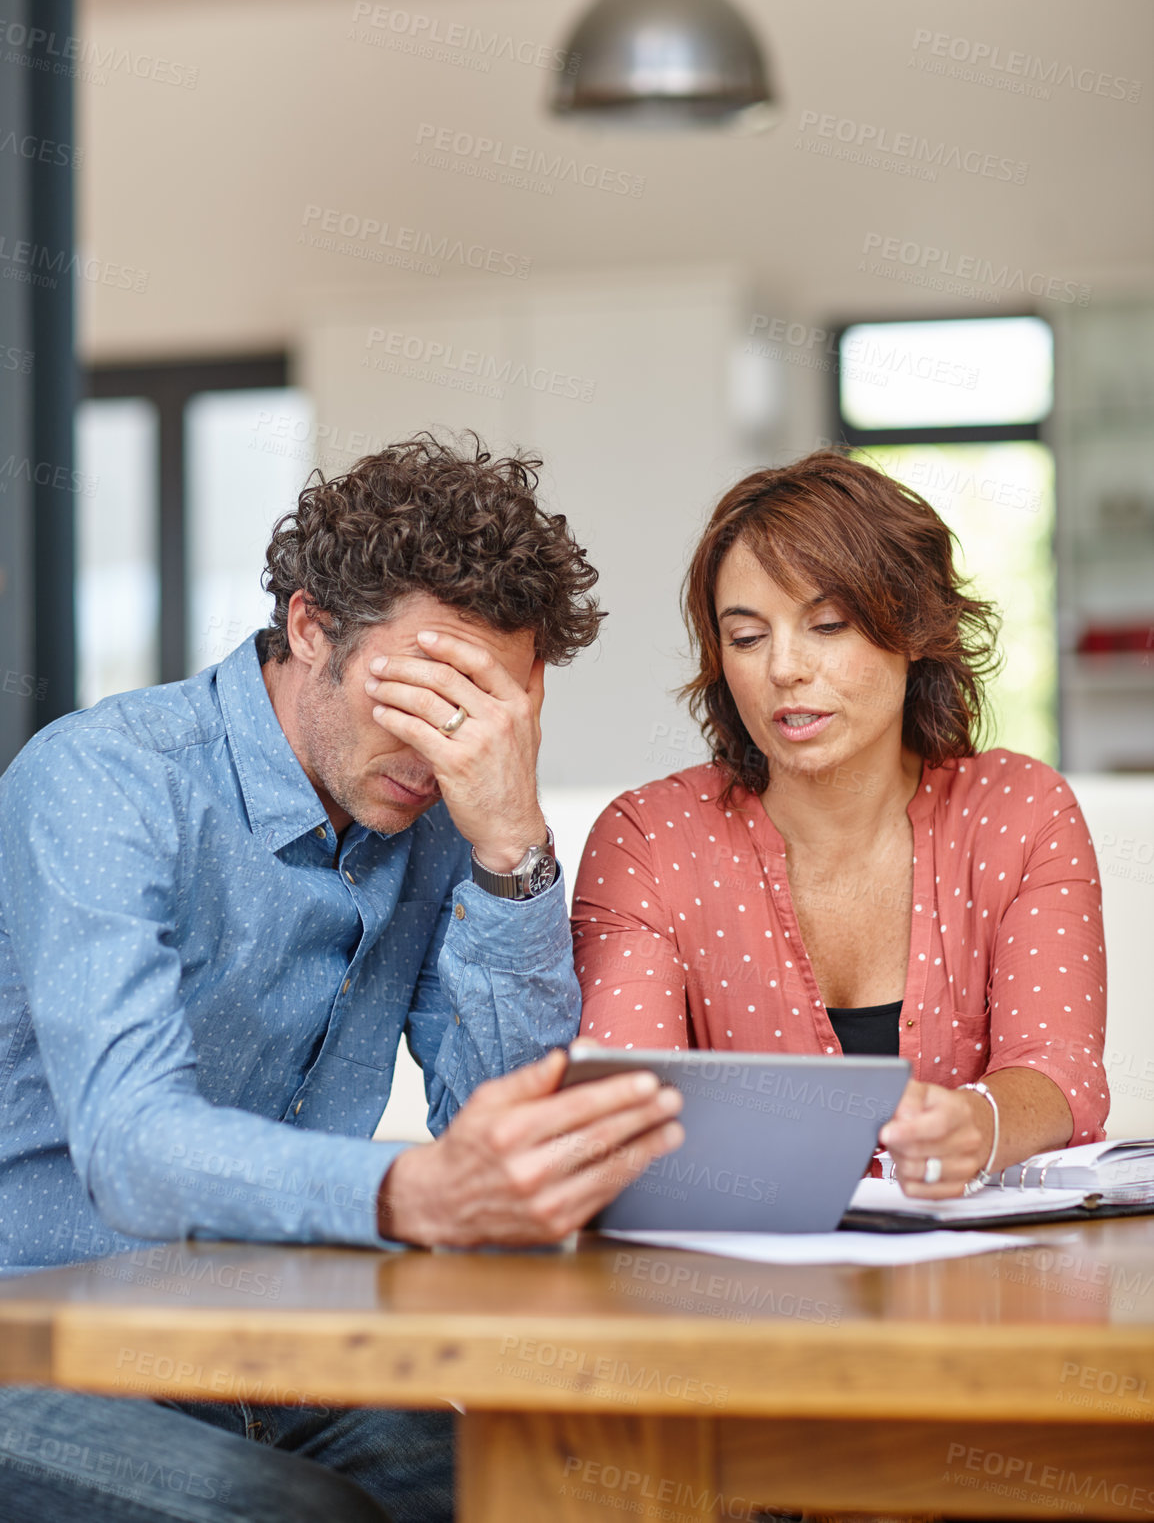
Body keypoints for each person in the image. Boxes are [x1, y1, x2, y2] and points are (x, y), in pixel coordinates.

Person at [0, 435, 683, 1523]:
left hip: (266, 1350)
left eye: (480, 707)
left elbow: (507, 1117)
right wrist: (403, 1193)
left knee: (547, 1493)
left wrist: (509, 844)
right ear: (312, 627)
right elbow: (130, 1144)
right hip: (36, 1344)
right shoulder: (103, 781)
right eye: (415, 690)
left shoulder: (443, 811)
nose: (436, 744)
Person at [573, 448, 1107, 1202]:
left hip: (974, 1300)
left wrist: (978, 1123)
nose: (785, 668)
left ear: (914, 627)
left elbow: (1063, 1071)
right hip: (728, 1294)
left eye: (826, 624)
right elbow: (625, 1117)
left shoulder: (1020, 812)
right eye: (748, 637)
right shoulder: (649, 841)